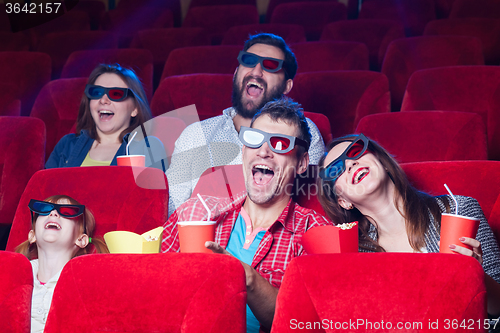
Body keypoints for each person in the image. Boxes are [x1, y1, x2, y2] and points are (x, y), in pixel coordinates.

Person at [162, 98, 333, 333]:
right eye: (254, 139)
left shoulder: (316, 233)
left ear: (302, 163)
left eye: (280, 143)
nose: (263, 151)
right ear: (243, 150)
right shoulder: (195, 213)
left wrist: (247, 278)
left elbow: (309, 325)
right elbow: (151, 293)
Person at [317, 133, 500, 327]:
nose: (350, 164)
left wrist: (476, 276)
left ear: (383, 162)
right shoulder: (352, 255)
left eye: (356, 151)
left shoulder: (458, 209)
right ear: (343, 201)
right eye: (336, 169)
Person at [166, 33, 325, 216]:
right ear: (236, 73)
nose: (256, 71)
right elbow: (173, 208)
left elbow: (310, 205)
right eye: (248, 60)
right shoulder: (196, 134)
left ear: (286, 86)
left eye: (271, 66)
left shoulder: (304, 132)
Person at [15, 195, 109, 333]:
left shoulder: (85, 282)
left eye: (67, 212)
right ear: (32, 235)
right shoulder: (15, 276)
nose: (53, 213)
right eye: (44, 210)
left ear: (81, 240)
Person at [45, 64, 166, 170]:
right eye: (96, 92)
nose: (103, 100)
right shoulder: (67, 144)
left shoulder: (148, 148)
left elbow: (154, 195)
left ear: (135, 109)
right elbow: (41, 193)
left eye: (116, 94)